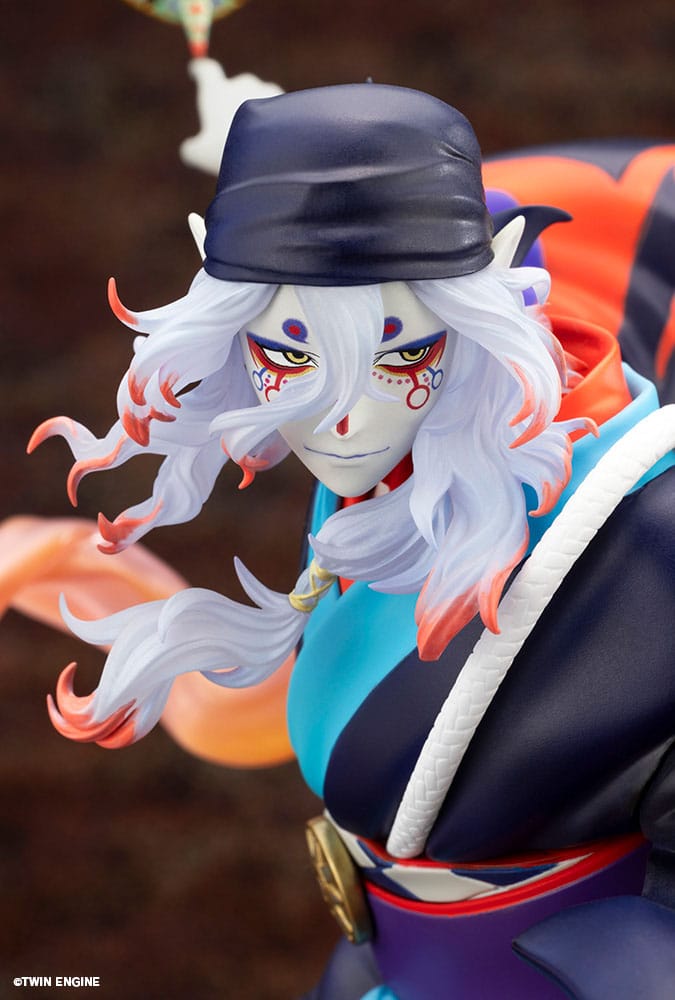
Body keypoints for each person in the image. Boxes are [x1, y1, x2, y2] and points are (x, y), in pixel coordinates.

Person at [31, 84, 675, 999]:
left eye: (401, 353)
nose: (344, 415)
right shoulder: (383, 479)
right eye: (289, 355)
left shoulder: (636, 530)